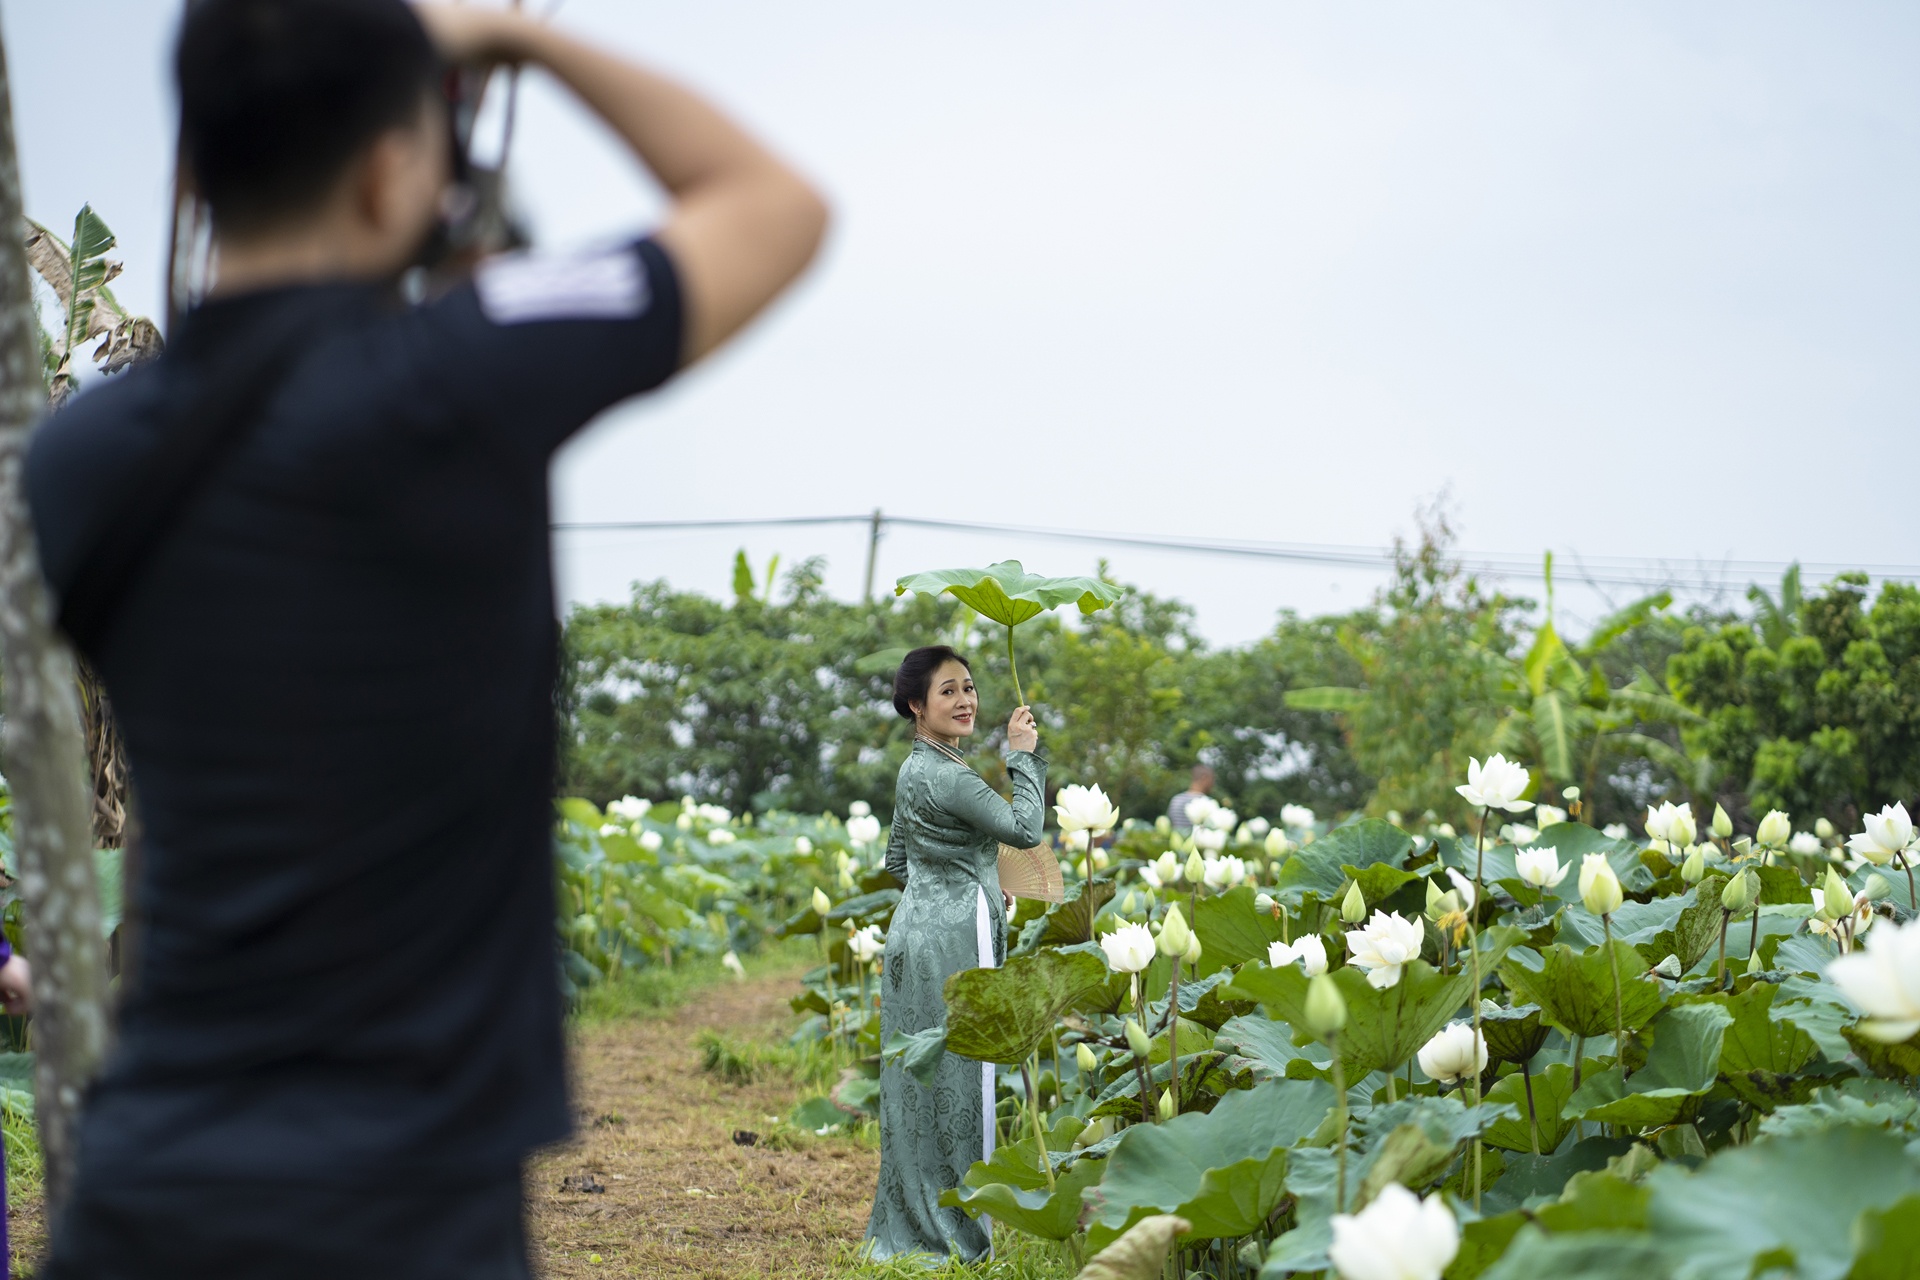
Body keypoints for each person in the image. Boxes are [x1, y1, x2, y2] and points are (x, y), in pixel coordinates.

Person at [27, 2, 825, 1276]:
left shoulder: (79, 462)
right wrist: (522, 45)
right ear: (397, 168)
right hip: (410, 1195)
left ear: (188, 165)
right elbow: (775, 206)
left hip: (151, 1186)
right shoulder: (471, 367)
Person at [866, 646, 1045, 1263]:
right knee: (964, 1078)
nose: (965, 700)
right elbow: (1024, 831)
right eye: (948, 691)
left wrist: (945, 876)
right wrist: (1023, 760)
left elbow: (896, 859)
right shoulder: (952, 776)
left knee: (916, 1082)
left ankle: (910, 1227)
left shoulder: (915, 770)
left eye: (968, 688)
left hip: (910, 932)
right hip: (956, 937)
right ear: (916, 705)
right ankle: (962, 1237)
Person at [1168, 763, 1216, 831]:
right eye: (1212, 779)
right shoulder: (1209, 803)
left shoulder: (1176, 800)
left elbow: (1170, 827)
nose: (1213, 783)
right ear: (1204, 778)